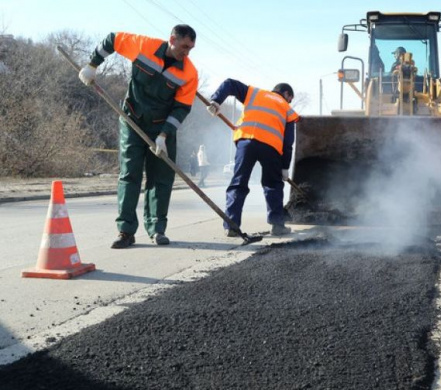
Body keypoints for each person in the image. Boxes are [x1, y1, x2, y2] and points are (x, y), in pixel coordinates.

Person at [78, 25, 198, 248]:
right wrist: (92, 65)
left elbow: (181, 108)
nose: (187, 52)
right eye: (184, 46)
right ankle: (126, 231)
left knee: (161, 179)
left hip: (162, 129)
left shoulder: (189, 73)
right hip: (132, 120)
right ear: (172, 39)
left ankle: (157, 230)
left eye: (191, 48)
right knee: (129, 174)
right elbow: (112, 39)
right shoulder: (144, 46)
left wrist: (163, 136)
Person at [206, 80, 299, 237]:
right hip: (271, 148)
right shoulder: (288, 109)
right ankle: (277, 226)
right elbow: (288, 142)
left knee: (238, 183)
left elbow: (230, 83)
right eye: (290, 98)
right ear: (286, 94)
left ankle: (232, 226)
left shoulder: (255, 93)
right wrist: (284, 167)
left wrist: (216, 100)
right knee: (273, 185)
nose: (289, 101)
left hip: (246, 142)